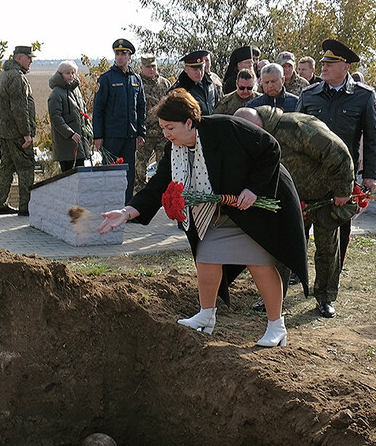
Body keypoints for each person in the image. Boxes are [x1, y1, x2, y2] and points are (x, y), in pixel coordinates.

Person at [97, 89, 308, 347]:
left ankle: (277, 327)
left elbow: (270, 149)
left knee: (259, 264)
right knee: (206, 257)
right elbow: (159, 184)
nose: (166, 134)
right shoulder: (173, 148)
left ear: (189, 122)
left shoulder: (225, 128)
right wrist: (127, 211)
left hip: (255, 201)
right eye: (162, 128)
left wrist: (253, 189)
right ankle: (206, 316)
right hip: (217, 210)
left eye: (170, 127)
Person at [234, 106, 355, 313]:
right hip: (292, 201)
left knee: (326, 249)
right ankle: (275, 297)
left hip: (325, 198)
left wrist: (343, 189)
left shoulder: (296, 126)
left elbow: (337, 151)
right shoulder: (256, 140)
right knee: (283, 250)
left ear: (257, 125)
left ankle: (325, 298)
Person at [296, 39, 376, 318]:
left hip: (340, 182)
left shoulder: (364, 96)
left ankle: (325, 295)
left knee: (330, 242)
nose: (324, 68)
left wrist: (369, 176)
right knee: (294, 235)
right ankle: (277, 291)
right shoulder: (308, 95)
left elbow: (372, 140)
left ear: (345, 66)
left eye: (330, 64)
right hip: (306, 180)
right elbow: (294, 136)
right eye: (322, 63)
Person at [93, 38, 146, 202]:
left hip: (130, 136)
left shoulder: (136, 79)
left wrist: (140, 132)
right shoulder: (106, 79)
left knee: (129, 174)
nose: (120, 57)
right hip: (112, 136)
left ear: (129, 56)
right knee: (110, 173)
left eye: (123, 53)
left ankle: (126, 206)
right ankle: (109, 205)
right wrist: (98, 136)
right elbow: (98, 109)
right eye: (117, 53)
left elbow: (141, 107)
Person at [0, 45, 36, 216]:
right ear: (19, 58)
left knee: (6, 167)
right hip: (18, 133)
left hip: (5, 131)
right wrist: (26, 133)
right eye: (29, 57)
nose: (31, 61)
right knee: (26, 168)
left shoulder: (3, 75)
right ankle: (26, 206)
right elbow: (19, 108)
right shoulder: (17, 78)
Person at [135, 54, 171, 190]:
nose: (151, 70)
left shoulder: (165, 84)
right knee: (140, 166)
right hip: (144, 133)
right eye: (148, 67)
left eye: (153, 66)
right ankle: (139, 193)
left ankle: (162, 191)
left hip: (163, 133)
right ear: (141, 67)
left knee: (163, 165)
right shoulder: (137, 83)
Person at [48, 60, 90, 173]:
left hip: (80, 141)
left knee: (81, 176)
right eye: (67, 73)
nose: (71, 76)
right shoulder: (56, 94)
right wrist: (70, 133)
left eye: (73, 73)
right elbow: (56, 118)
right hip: (66, 144)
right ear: (60, 75)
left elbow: (83, 112)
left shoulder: (76, 90)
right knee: (68, 178)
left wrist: (89, 131)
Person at [169, 50, 220, 116]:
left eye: (201, 69)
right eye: (195, 70)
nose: (199, 73)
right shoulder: (179, 90)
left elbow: (217, 105)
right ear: (186, 69)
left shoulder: (210, 84)